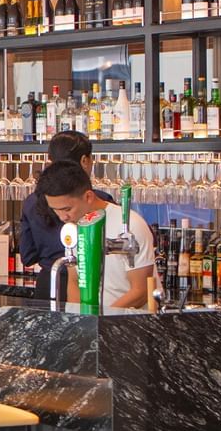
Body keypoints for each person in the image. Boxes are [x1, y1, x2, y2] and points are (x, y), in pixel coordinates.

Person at [35, 161, 157, 309]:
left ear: (88, 196)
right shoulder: (75, 226)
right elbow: (74, 282)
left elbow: (141, 291)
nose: (62, 217)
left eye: (67, 209)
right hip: (94, 324)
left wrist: (101, 320)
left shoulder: (130, 225)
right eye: (56, 210)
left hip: (129, 323)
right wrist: (77, 321)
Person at [17, 131, 109, 298]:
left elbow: (28, 256)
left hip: (48, 283)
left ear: (50, 159)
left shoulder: (31, 202)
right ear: (84, 161)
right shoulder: (98, 201)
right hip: (89, 284)